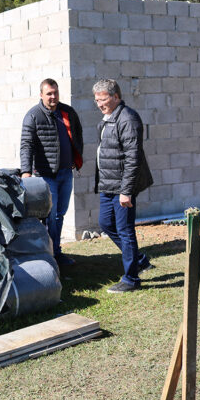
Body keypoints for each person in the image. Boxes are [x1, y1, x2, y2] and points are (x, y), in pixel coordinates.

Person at [92, 79, 154, 293]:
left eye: (103, 99)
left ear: (116, 97)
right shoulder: (108, 118)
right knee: (105, 224)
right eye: (96, 100)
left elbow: (132, 157)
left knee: (125, 231)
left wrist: (126, 191)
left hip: (121, 187)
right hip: (107, 185)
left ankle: (131, 279)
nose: (99, 104)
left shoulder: (127, 118)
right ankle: (139, 260)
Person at [20, 79, 83, 268]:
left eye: (55, 92)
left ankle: (55, 251)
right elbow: (26, 145)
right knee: (50, 215)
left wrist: (76, 157)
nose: (53, 96)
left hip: (66, 172)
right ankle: (51, 254)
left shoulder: (67, 112)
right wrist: (26, 172)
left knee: (60, 214)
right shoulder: (33, 116)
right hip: (46, 175)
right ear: (41, 94)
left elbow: (77, 134)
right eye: (49, 93)